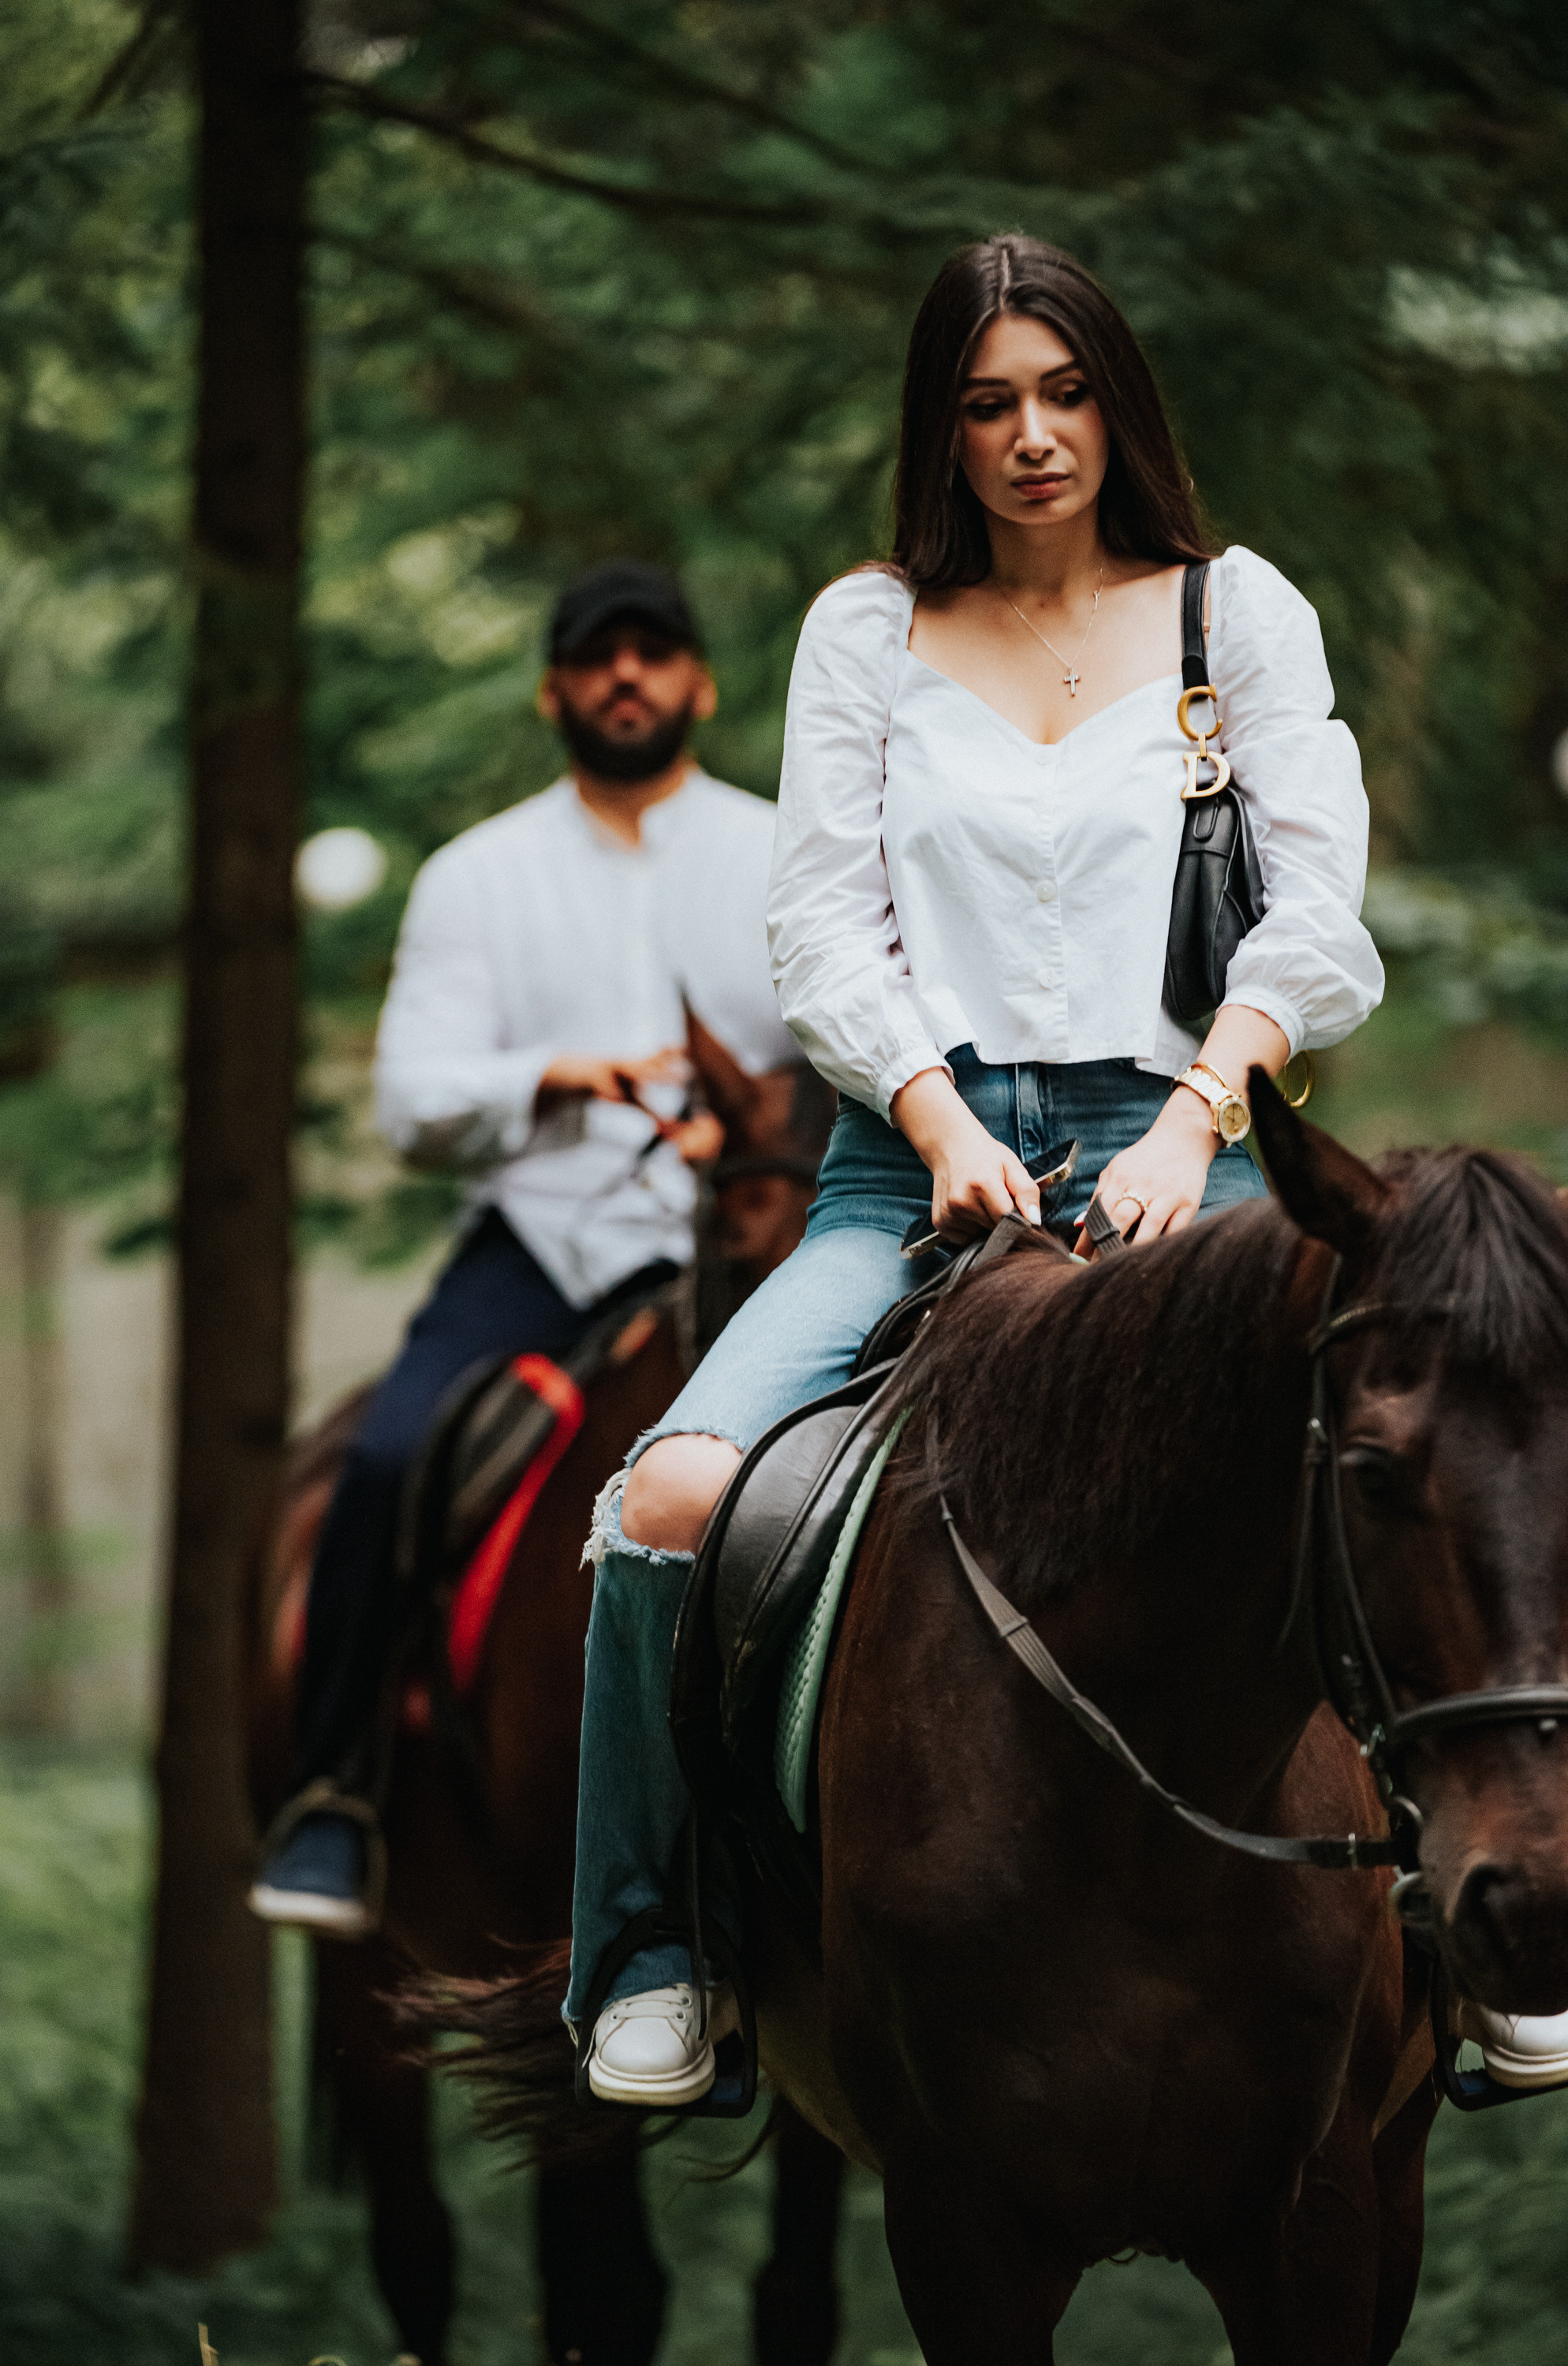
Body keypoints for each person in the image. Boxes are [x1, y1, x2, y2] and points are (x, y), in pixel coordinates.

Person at [566, 234, 1387, 2107]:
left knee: (1409, 1475)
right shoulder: (868, 628)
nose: (1035, 437)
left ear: (1122, 399)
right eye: (991, 401)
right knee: (664, 1513)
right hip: (906, 1166)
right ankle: (652, 1954)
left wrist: (1201, 1120)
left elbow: (1320, 915)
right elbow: (818, 928)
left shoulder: (1232, 615)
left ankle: (1484, 1939)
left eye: (1068, 390)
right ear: (943, 428)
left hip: (1194, 1152)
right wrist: (933, 1119)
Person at [251, 559, 796, 1935]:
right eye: (599, 658)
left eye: (654, 654)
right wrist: (557, 1076)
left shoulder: (787, 853)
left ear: (699, 684)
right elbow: (411, 1103)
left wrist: (743, 1138)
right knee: (385, 1455)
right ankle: (336, 1799)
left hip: (755, 1248)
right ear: (555, 690)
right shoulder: (476, 874)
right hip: (545, 1248)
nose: (628, 678)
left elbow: (842, 1051)